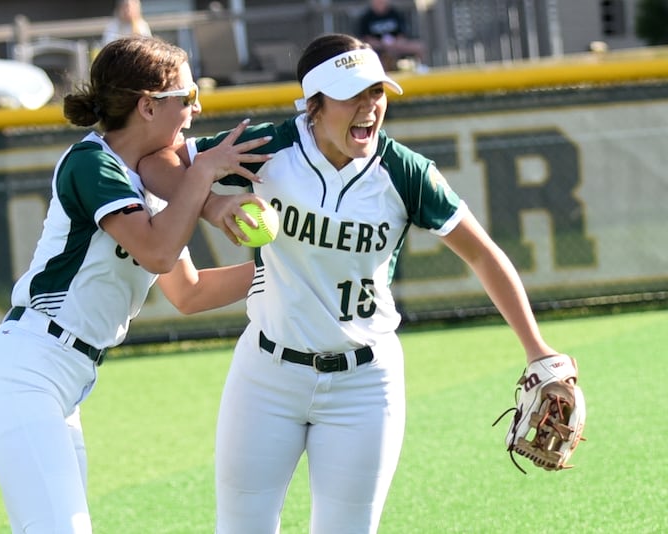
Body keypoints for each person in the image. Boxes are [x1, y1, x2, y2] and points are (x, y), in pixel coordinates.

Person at [139, 33, 570, 534]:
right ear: (314, 105)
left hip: (365, 385)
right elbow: (155, 163)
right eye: (352, 95)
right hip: (266, 376)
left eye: (377, 93)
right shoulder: (268, 147)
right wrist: (212, 204)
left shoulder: (405, 172)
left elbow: (483, 254)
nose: (369, 108)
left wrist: (536, 348)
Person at [0, 36, 270, 534]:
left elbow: (188, 293)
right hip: (23, 371)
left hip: (63, 378)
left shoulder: (141, 184)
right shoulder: (93, 163)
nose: (197, 108)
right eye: (187, 96)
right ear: (148, 106)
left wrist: (278, 272)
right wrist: (204, 178)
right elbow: (156, 252)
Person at [356, 0, 426, 70]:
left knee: (419, 46)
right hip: (377, 47)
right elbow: (365, 39)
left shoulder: (395, 13)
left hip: (396, 45)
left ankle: (421, 68)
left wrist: (395, 43)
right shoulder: (366, 17)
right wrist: (381, 44)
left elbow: (402, 34)